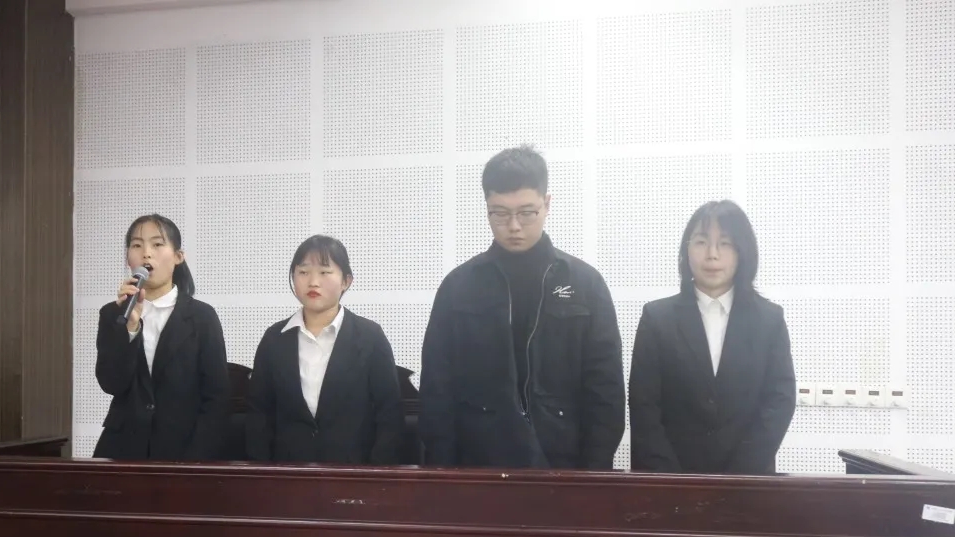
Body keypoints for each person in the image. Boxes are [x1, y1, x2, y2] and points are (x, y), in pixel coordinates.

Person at [419, 145, 625, 469]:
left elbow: (606, 390)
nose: (514, 226)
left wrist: (592, 475)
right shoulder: (458, 288)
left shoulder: (586, 284)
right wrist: (445, 475)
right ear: (487, 208)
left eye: (526, 212)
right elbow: (437, 390)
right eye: (500, 213)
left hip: (565, 464)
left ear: (547, 204)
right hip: (479, 465)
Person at [628, 200, 796, 475]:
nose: (712, 255)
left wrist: (737, 478)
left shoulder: (769, 321)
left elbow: (779, 401)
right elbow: (643, 405)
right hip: (670, 483)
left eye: (725, 243)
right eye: (701, 242)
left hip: (748, 483)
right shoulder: (657, 319)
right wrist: (675, 483)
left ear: (743, 251)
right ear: (686, 250)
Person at [246, 235, 404, 464]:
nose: (313, 282)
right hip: (288, 470)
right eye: (303, 272)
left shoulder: (370, 337)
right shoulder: (274, 339)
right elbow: (259, 413)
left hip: (353, 471)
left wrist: (375, 475)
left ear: (346, 281)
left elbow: (389, 413)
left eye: (324, 272)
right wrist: (263, 472)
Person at [93, 214, 231, 461]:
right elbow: (111, 383)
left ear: (178, 256)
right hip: (123, 448)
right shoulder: (113, 314)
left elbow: (217, 398)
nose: (146, 253)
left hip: (184, 451)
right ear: (128, 258)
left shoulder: (202, 317)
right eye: (137, 245)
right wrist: (130, 327)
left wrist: (196, 459)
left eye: (157, 244)